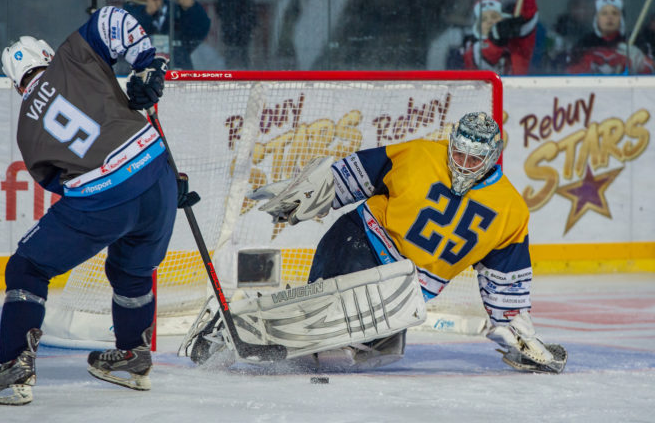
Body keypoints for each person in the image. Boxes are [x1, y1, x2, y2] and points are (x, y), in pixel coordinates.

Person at [184, 112, 567, 374]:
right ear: (451, 143)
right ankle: (228, 324)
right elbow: (352, 176)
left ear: (493, 156)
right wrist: (307, 193)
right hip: (360, 242)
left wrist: (518, 333)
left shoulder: (511, 211)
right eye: (459, 153)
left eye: (474, 158)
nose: (464, 164)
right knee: (321, 317)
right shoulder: (417, 154)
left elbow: (505, 282)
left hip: (404, 290)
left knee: (356, 348)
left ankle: (256, 326)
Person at [0, 5, 197, 405]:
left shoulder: (26, 129)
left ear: (15, 85)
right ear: (47, 55)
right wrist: (148, 64)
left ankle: (13, 370)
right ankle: (132, 357)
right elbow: (113, 18)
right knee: (132, 269)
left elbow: (60, 183)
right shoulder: (73, 54)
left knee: (28, 266)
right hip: (158, 175)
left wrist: (116, 193)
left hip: (106, 195)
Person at [121, 0, 211, 70]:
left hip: (179, 77)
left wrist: (189, 7)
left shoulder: (175, 9)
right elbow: (126, 43)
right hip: (142, 80)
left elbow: (198, 34)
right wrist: (147, 13)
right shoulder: (122, 16)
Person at [461, 0, 540, 75]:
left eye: (494, 16)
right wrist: (496, 38)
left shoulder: (517, 46)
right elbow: (479, 61)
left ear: (501, 19)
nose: (489, 21)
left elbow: (527, 22)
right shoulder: (470, 48)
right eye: (484, 18)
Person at [567, 0, 653, 75]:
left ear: (621, 18)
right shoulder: (584, 44)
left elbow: (651, 71)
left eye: (615, 13)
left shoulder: (636, 41)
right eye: (604, 13)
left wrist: (640, 62)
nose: (610, 17)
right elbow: (571, 73)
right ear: (596, 19)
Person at [214, 0, 256, 69]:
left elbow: (220, 8)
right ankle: (243, 72)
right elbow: (249, 7)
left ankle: (230, 71)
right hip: (242, 27)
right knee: (242, 54)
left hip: (231, 27)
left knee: (231, 54)